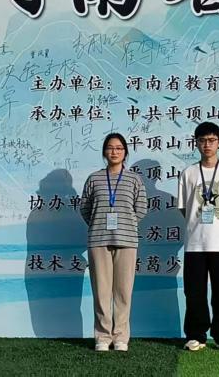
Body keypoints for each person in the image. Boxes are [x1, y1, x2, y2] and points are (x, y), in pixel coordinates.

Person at [177, 121, 219, 351]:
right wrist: (198, 224)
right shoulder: (188, 173)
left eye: (212, 140)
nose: (207, 144)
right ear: (196, 143)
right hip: (195, 243)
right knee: (194, 292)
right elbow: (184, 208)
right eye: (202, 140)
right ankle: (196, 335)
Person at [79, 132, 148, 352]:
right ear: (104, 152)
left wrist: (126, 223)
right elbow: (85, 208)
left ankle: (120, 337)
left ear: (125, 152)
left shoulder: (134, 179)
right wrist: (98, 223)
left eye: (119, 148)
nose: (114, 152)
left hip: (127, 240)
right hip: (98, 239)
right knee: (101, 291)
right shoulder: (94, 179)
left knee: (123, 291)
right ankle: (102, 336)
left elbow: (141, 209)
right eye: (110, 147)